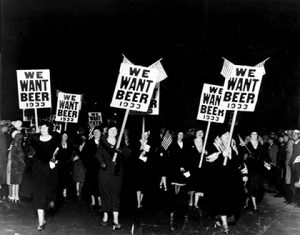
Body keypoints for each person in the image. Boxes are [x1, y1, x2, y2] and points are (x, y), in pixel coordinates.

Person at [205, 127, 247, 234]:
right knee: (222, 201)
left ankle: (220, 219)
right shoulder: (213, 146)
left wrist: (243, 172)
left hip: (231, 180)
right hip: (218, 180)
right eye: (225, 135)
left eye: (229, 135)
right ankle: (224, 225)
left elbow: (237, 163)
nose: (228, 137)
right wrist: (220, 155)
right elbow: (208, 162)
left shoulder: (232, 146)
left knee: (232, 201)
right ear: (219, 137)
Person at [95, 123, 131, 230]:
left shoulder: (120, 142)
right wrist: (102, 163)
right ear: (107, 131)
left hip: (117, 173)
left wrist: (121, 150)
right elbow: (98, 154)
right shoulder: (103, 141)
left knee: (116, 195)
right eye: (111, 130)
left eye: (115, 130)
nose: (113, 132)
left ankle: (116, 219)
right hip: (105, 172)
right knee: (105, 194)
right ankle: (105, 215)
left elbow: (128, 154)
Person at [28, 121, 59, 231]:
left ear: (49, 128)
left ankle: (45, 214)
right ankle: (41, 221)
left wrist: (54, 160)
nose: (43, 129)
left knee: (48, 194)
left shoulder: (55, 139)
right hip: (38, 170)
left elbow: (57, 152)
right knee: (38, 194)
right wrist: (31, 155)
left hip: (50, 171)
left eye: (45, 128)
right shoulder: (35, 139)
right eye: (41, 127)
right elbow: (30, 152)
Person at [167, 130, 190, 231]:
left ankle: (180, 216)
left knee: (182, 195)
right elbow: (171, 159)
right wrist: (178, 166)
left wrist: (185, 168)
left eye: (182, 134)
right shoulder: (172, 145)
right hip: (175, 173)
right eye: (179, 134)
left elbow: (188, 158)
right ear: (176, 135)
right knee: (174, 195)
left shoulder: (186, 145)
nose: (180, 136)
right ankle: (172, 218)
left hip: (183, 174)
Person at [242, 131, 266, 212]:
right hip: (250, 168)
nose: (254, 135)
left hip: (259, 168)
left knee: (258, 187)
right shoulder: (246, 145)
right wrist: (246, 156)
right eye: (253, 134)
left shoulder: (261, 144)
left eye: (256, 134)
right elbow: (243, 156)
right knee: (252, 186)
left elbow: (264, 156)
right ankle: (255, 206)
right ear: (250, 135)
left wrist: (266, 163)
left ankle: (247, 202)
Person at [81, 126, 102, 211]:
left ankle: (100, 203)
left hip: (101, 169)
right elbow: (83, 155)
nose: (97, 134)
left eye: (98, 132)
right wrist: (88, 164)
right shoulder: (89, 143)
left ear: (101, 133)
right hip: (91, 169)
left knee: (100, 186)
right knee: (91, 185)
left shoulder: (103, 143)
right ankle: (93, 202)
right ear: (93, 134)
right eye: (95, 132)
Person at [6, 122, 26, 203]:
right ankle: (15, 196)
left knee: (14, 182)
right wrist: (23, 165)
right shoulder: (17, 145)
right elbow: (20, 156)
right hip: (16, 166)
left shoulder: (13, 144)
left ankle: (15, 196)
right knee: (16, 182)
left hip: (13, 165)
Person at [54, 132, 73, 203]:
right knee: (59, 178)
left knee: (66, 179)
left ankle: (64, 192)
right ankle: (59, 192)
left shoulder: (70, 145)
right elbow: (55, 154)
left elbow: (71, 154)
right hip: (59, 165)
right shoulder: (58, 145)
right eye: (64, 136)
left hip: (67, 165)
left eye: (66, 136)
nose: (65, 137)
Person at [72, 132, 87, 199]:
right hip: (77, 165)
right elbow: (72, 157)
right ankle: (78, 191)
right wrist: (74, 158)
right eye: (82, 138)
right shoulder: (75, 147)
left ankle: (80, 191)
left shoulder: (86, 149)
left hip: (83, 166)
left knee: (82, 180)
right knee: (77, 180)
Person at [0, 120, 11, 201]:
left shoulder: (4, 135)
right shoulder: (2, 136)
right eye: (7, 127)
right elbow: (3, 149)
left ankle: (3, 195)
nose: (7, 129)